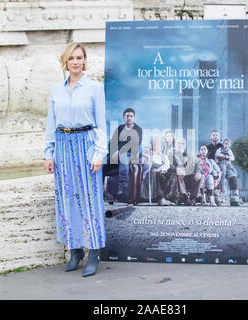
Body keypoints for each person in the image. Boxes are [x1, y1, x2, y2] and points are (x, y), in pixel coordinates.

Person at [44, 42, 107, 277]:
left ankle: (94, 253)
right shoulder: (56, 90)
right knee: (67, 199)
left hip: (86, 144)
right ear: (65, 61)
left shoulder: (94, 88)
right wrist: (48, 154)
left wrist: (99, 154)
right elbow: (51, 123)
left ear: (85, 60)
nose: (76, 62)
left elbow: (101, 124)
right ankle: (75, 251)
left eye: (79, 58)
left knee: (90, 200)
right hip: (62, 144)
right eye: (71, 58)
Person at [103, 108, 143, 202]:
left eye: (131, 116)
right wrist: (113, 152)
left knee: (124, 156)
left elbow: (135, 143)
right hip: (116, 155)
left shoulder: (138, 129)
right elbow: (112, 142)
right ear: (124, 117)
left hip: (130, 155)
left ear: (134, 118)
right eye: (127, 116)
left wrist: (120, 151)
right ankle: (98, 188)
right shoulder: (120, 128)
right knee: (103, 163)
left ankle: (123, 186)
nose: (129, 118)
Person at [140, 135, 174, 206]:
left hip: (162, 172)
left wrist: (159, 169)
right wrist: (147, 156)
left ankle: (167, 198)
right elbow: (143, 164)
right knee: (156, 173)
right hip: (151, 173)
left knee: (172, 175)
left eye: (157, 143)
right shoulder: (148, 153)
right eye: (154, 143)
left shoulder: (163, 155)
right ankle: (160, 198)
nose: (155, 144)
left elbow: (167, 164)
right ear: (151, 144)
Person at [216, 138, 240, 206]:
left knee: (234, 177)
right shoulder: (220, 149)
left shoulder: (229, 150)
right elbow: (216, 155)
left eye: (228, 144)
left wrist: (227, 157)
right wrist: (221, 156)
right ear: (223, 144)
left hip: (228, 164)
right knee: (222, 179)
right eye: (225, 144)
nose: (226, 145)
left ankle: (234, 199)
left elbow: (233, 158)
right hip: (221, 164)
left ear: (229, 145)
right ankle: (221, 196)